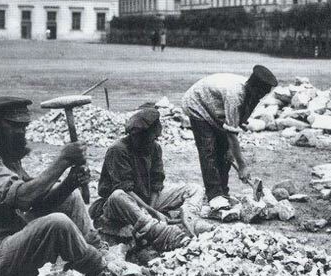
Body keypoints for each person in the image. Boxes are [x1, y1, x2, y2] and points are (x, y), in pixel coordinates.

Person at [0, 97, 150, 276]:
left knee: (71, 197)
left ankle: (100, 255)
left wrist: (69, 183)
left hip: (4, 241)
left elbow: (37, 200)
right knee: (57, 224)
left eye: (24, 127)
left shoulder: (4, 155)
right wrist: (62, 161)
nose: (20, 132)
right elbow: (23, 197)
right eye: (14, 126)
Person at [90, 106, 203, 251]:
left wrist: (152, 208)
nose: (154, 141)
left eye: (155, 138)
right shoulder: (118, 150)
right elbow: (125, 189)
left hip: (146, 199)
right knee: (118, 195)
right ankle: (159, 232)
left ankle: (189, 219)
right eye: (152, 137)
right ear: (138, 136)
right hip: (118, 205)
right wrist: (153, 212)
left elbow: (157, 183)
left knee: (194, 189)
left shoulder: (155, 148)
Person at [182, 65, 278, 211]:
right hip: (198, 104)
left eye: (265, 93)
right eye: (261, 92)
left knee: (224, 152)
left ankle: (223, 192)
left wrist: (230, 151)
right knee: (208, 150)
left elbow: (237, 123)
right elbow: (231, 134)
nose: (262, 96)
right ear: (255, 87)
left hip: (216, 109)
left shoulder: (253, 96)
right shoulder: (236, 95)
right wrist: (242, 166)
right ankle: (214, 196)